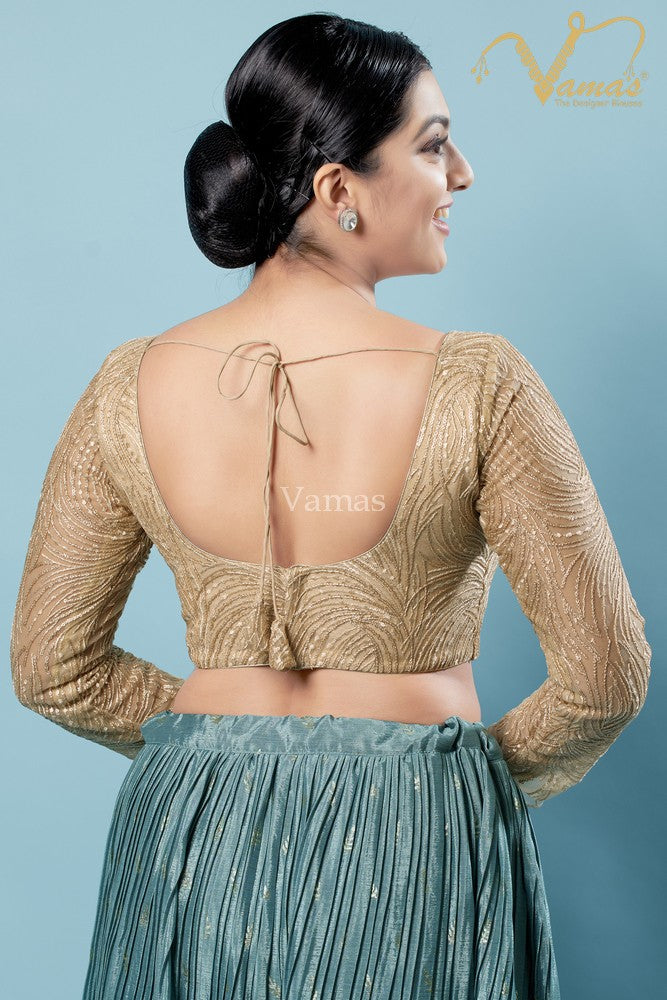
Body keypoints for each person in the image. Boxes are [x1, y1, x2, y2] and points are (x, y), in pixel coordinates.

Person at [10, 12, 650, 1000]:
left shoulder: (126, 383)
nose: (462, 173)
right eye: (433, 146)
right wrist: (459, 784)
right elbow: (605, 677)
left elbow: (51, 667)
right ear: (338, 190)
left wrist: (213, 742)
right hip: (413, 834)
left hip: (192, 834)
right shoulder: (480, 384)